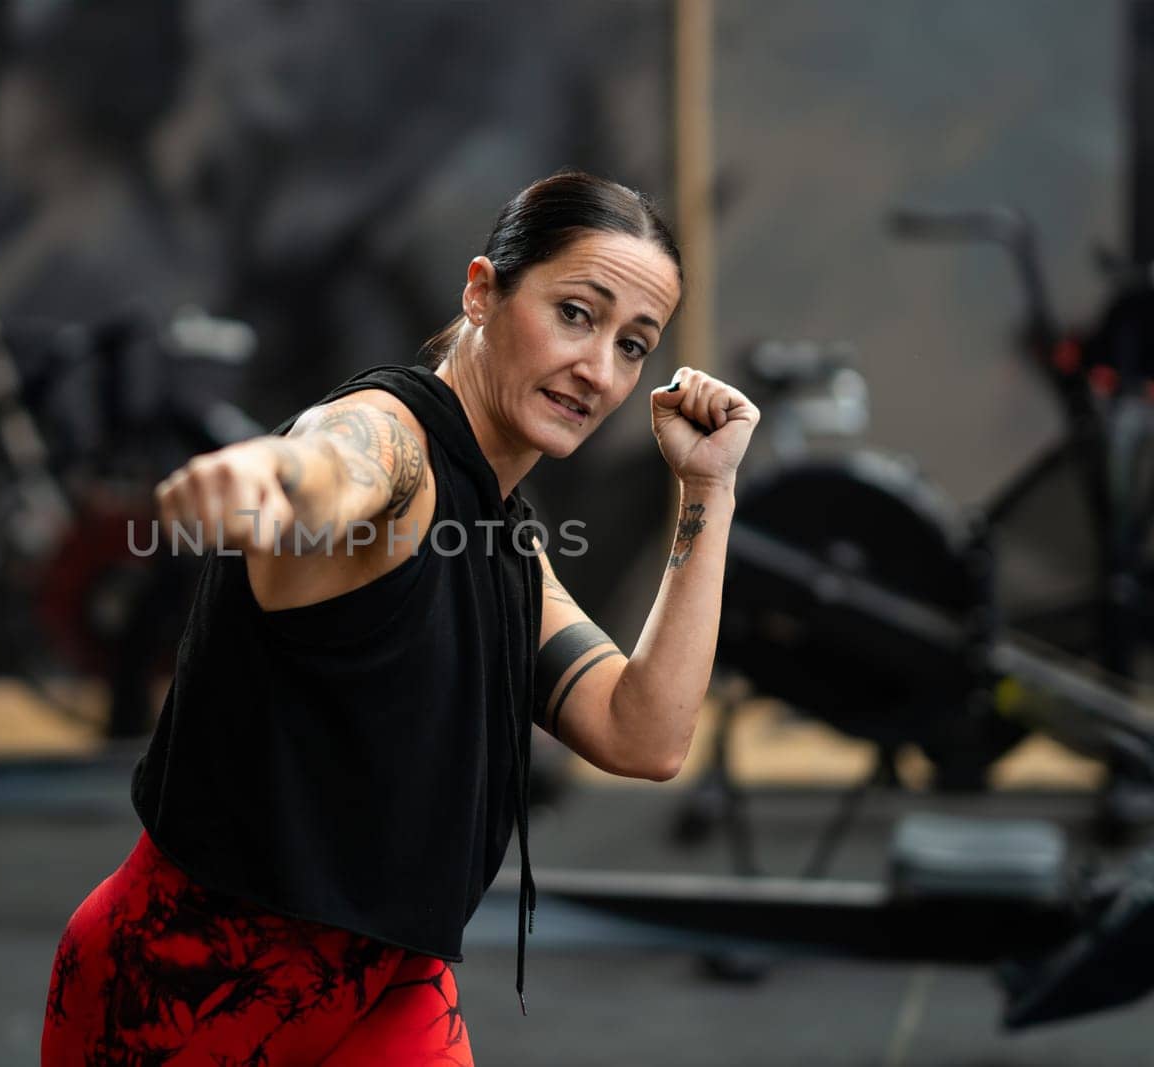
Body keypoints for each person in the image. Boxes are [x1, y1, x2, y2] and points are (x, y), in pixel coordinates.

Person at [41, 170, 759, 1065]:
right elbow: (341, 465)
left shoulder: (498, 538)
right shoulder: (393, 441)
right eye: (577, 313)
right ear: (482, 291)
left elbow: (642, 732)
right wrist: (271, 479)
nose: (599, 369)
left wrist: (708, 489)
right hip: (182, 993)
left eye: (634, 344)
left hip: (385, 990)